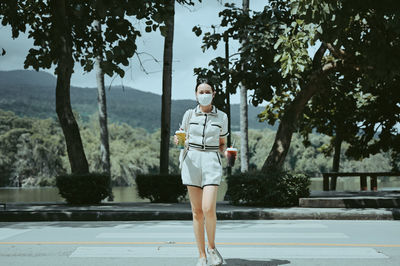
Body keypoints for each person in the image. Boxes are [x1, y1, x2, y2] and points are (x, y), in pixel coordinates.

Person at [174, 78, 234, 266]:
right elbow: (182, 139)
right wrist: (178, 141)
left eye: (208, 92)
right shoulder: (189, 115)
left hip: (211, 162)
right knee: (197, 212)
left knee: (208, 208)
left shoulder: (222, 117)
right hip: (191, 161)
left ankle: (212, 248)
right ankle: (201, 255)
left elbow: (222, 144)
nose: (204, 95)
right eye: (201, 92)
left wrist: (228, 154)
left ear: (214, 94)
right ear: (196, 94)